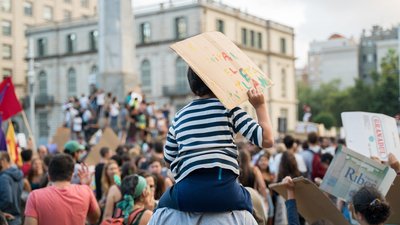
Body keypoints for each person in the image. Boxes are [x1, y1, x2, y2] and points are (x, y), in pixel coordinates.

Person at [158, 67, 274, 213]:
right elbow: (267, 140)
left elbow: (168, 160)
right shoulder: (230, 110)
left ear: (193, 88)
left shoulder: (179, 116)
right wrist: (260, 106)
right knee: (252, 203)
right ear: (219, 82)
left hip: (187, 195)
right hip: (227, 194)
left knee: (161, 205)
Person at [24, 154, 101, 225]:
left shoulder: (35, 196)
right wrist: (86, 186)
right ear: (71, 175)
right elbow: (94, 219)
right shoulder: (85, 190)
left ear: (49, 176)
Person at [0, 152, 23, 225]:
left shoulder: (4, 177)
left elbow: (7, 199)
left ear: (3, 161)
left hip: (8, 218)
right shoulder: (17, 174)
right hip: (17, 217)